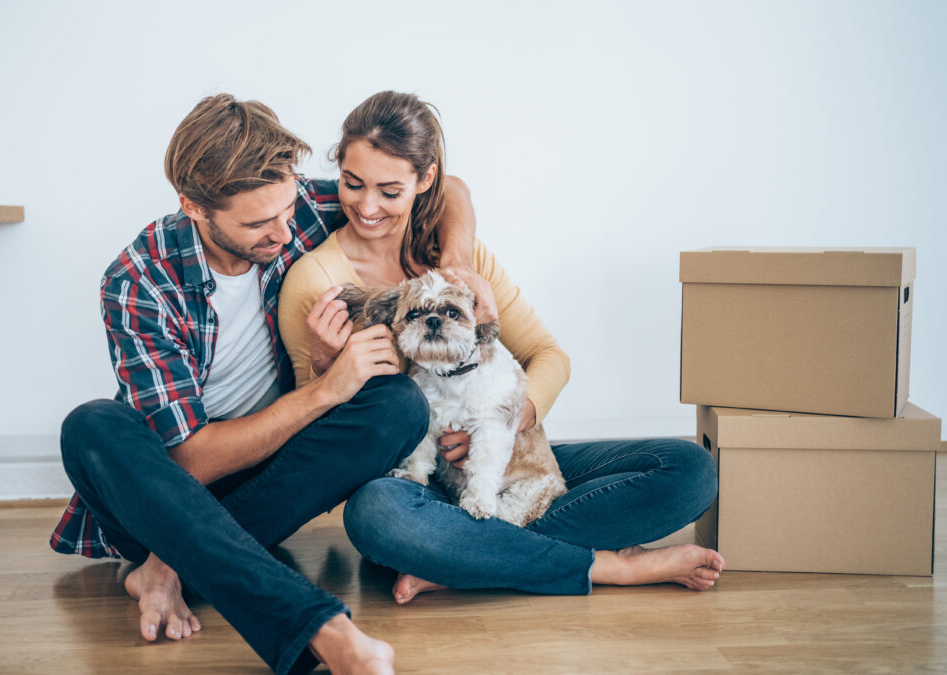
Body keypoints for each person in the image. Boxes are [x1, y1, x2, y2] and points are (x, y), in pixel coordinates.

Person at [50, 93, 482, 675]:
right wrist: (326, 390)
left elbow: (446, 185)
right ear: (194, 207)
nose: (284, 230)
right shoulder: (139, 280)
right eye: (258, 223)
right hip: (162, 494)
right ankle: (321, 627)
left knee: (397, 405)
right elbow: (192, 460)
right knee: (91, 426)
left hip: (270, 485)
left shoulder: (292, 205)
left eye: (287, 209)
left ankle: (169, 566)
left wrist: (453, 263)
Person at [278, 90, 724, 606]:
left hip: (503, 458)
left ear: (425, 182)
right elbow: (310, 445)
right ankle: (605, 567)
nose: (367, 206)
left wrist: (505, 425)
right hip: (412, 485)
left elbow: (549, 356)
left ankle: (462, 561)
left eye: (389, 190)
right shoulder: (316, 280)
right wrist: (323, 364)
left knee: (688, 470)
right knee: (375, 516)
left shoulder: (464, 259)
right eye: (352, 185)